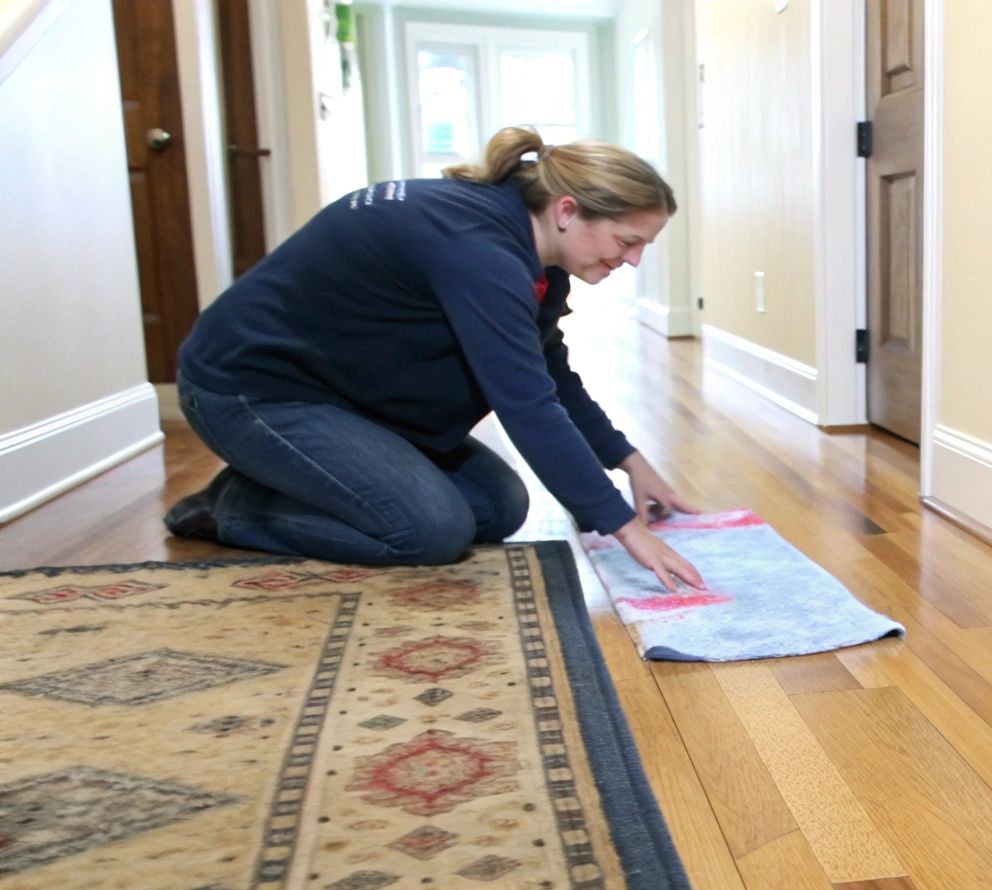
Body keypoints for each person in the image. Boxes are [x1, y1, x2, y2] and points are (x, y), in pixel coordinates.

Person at [165, 126, 704, 591]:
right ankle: (235, 506)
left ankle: (296, 476)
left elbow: (550, 372)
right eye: (628, 240)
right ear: (567, 211)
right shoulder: (480, 253)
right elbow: (527, 405)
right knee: (429, 531)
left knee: (499, 508)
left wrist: (630, 461)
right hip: (249, 391)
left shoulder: (532, 255)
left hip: (343, 395)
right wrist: (625, 529)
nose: (632, 260)